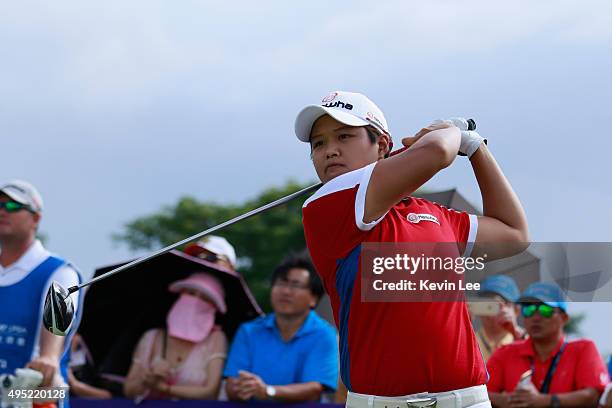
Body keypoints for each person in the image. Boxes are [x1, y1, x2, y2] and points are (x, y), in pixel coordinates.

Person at [295, 91, 530, 406]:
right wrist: (451, 132)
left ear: (381, 145)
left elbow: (514, 233)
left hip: (466, 399)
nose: (329, 151)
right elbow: (436, 152)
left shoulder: (432, 214)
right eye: (318, 144)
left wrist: (476, 149)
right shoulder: (327, 203)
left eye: (344, 136)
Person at [0, 180, 84, 408]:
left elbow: (55, 327)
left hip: (27, 397)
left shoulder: (60, 272)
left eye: (12, 207)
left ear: (36, 218)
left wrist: (48, 357)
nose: (2, 211)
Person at [223, 253, 338, 402]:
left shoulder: (324, 334)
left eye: (295, 285)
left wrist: (268, 391)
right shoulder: (249, 331)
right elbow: (231, 385)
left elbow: (314, 388)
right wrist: (241, 388)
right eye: (281, 283)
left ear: (313, 298)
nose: (286, 291)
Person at [487, 282, 609, 408]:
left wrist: (544, 401)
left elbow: (593, 396)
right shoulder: (505, 352)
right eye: (529, 310)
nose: (535, 317)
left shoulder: (583, 349)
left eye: (545, 310)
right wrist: (504, 400)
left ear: (564, 318)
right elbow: (480, 393)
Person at [123, 272, 228, 400]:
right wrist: (148, 378)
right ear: (180, 295)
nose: (195, 301)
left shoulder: (216, 339)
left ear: (214, 307)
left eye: (205, 298)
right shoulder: (151, 337)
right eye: (191, 293)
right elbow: (128, 390)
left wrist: (164, 388)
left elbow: (211, 392)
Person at [475, 275, 526, 361]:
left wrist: (515, 333)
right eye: (488, 305)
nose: (493, 312)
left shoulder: (531, 341)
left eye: (503, 303)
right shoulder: (468, 344)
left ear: (516, 310)